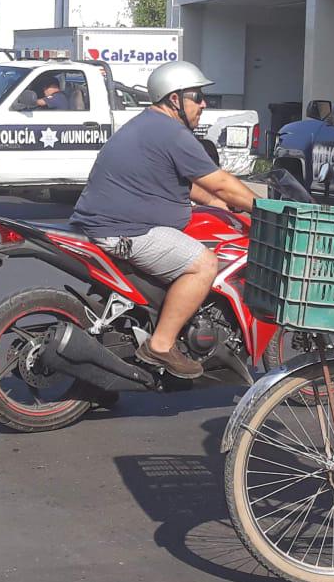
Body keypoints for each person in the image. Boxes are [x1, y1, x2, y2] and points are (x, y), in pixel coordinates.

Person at [69, 61, 257, 379]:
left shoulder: (148, 125)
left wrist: (221, 205)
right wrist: (262, 206)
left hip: (113, 224)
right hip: (126, 231)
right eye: (197, 96)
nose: (203, 104)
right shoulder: (172, 133)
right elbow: (221, 183)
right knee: (205, 264)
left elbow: (190, 185)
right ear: (174, 99)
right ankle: (161, 344)